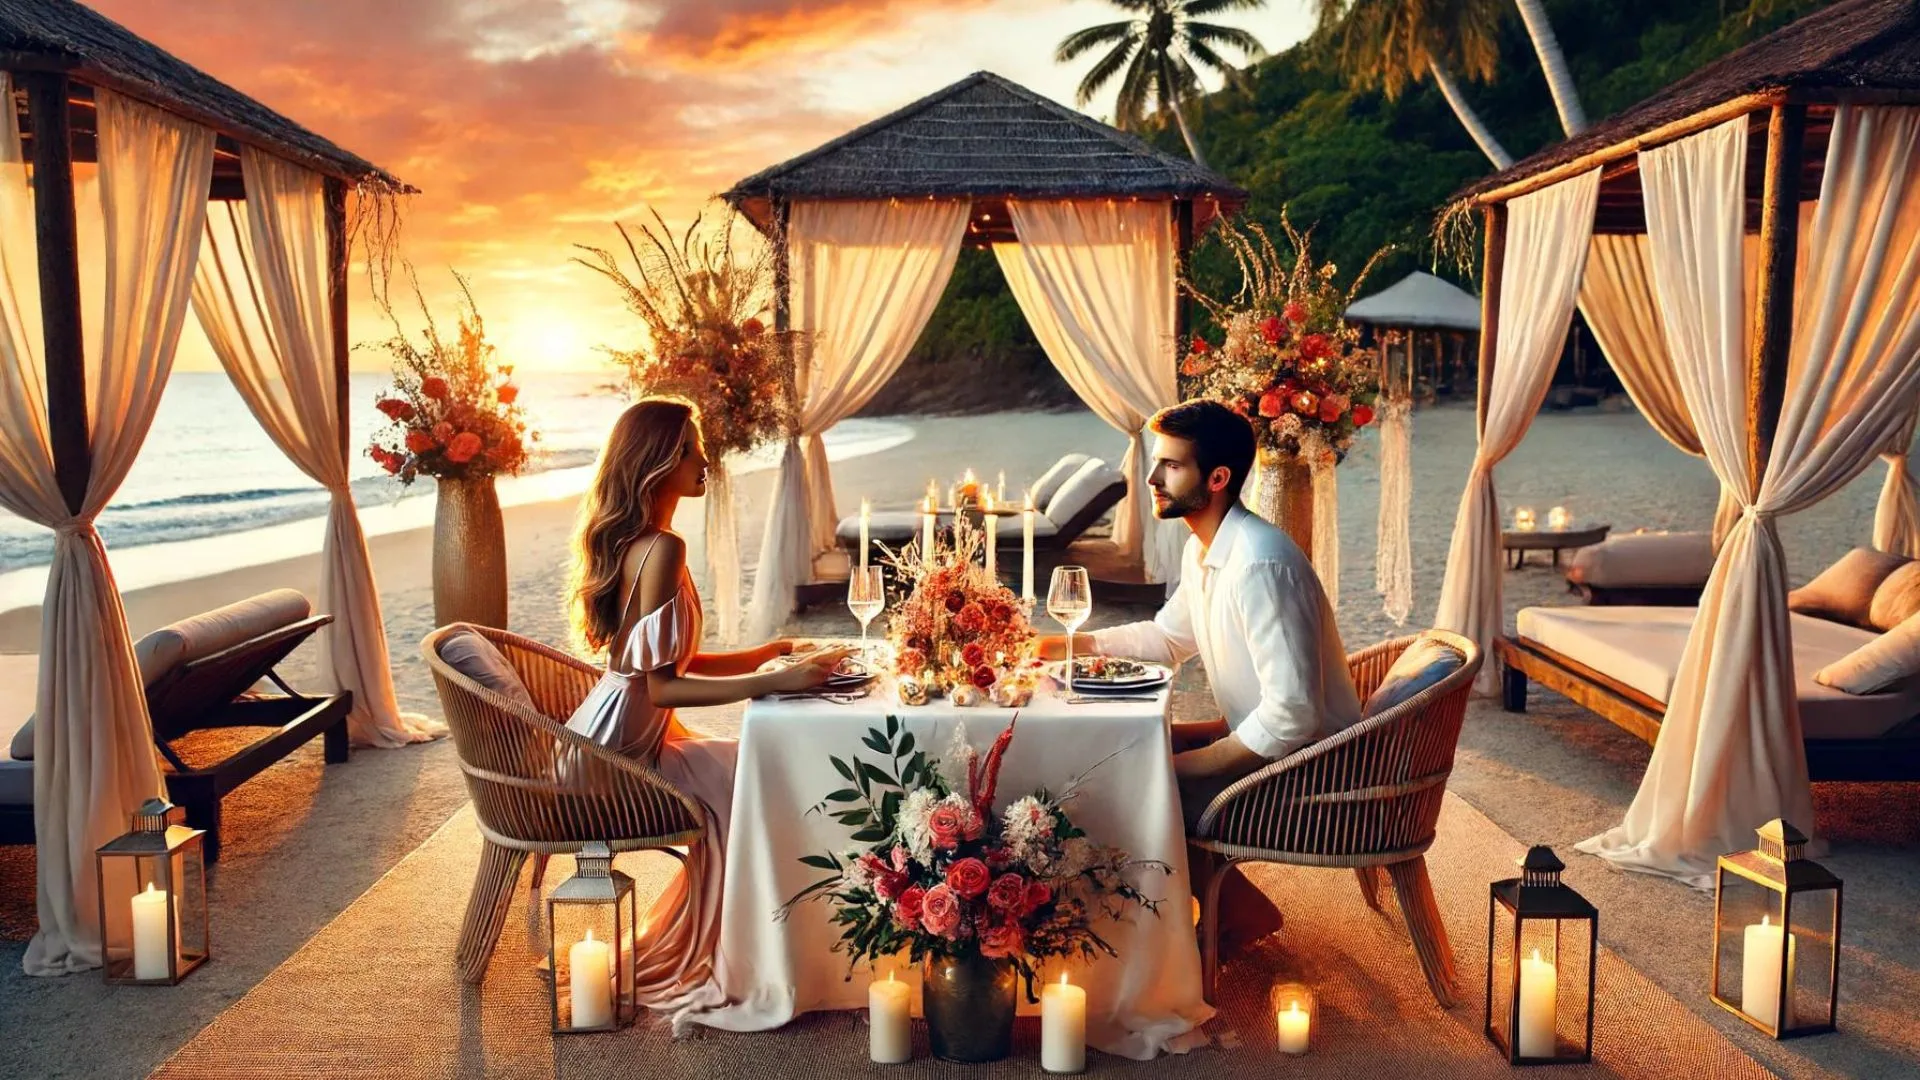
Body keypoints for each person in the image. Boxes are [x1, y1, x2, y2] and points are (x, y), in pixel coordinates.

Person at [1037, 398, 1361, 944]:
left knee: (1132, 790)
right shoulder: (1208, 548)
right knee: (1109, 752)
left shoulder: (1259, 563)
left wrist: (1182, 767)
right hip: (1270, 746)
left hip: (1314, 771)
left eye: (1171, 465)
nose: (1152, 477)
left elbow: (1292, 716)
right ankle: (1215, 908)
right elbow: (1168, 639)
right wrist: (1066, 643)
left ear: (1216, 477)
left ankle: (1231, 917)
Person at [565, 398, 849, 1022]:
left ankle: (773, 939)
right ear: (659, 461)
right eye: (693, 449)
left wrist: (765, 654)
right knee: (755, 779)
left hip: (615, 732)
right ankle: (754, 950)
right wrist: (776, 682)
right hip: (617, 758)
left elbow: (669, 662)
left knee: (755, 766)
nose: (705, 461)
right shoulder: (662, 548)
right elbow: (663, 688)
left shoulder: (649, 542)